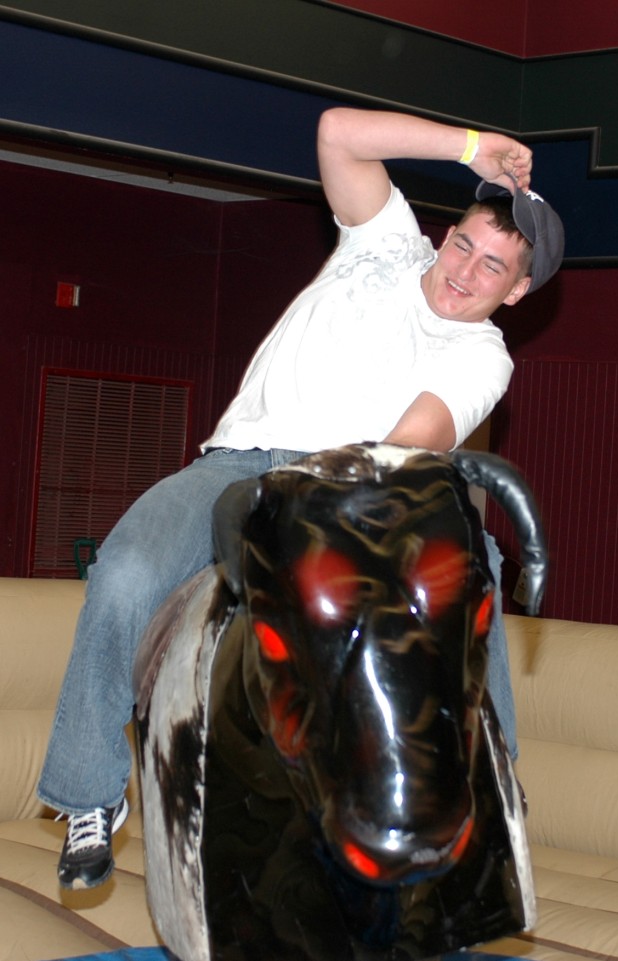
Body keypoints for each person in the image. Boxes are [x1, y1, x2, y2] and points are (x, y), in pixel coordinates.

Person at [37, 106, 564, 890]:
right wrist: (470, 146)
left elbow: (408, 442)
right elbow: (337, 133)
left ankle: (487, 775)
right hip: (234, 464)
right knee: (123, 572)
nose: (463, 270)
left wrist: (340, 497)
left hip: (343, 485)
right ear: (445, 232)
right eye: (464, 244)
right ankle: (88, 795)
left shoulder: (482, 355)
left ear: (517, 291)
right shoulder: (385, 240)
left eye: (493, 267)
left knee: (470, 559)